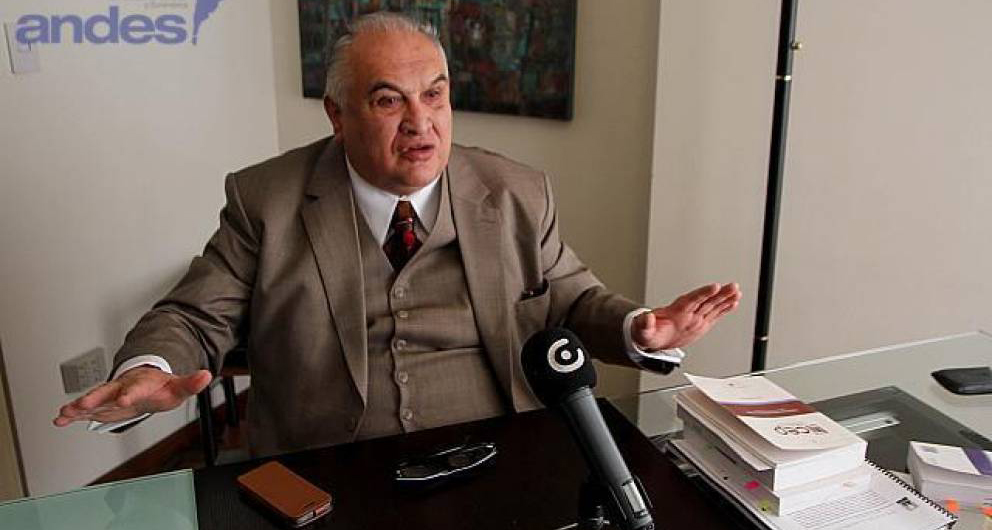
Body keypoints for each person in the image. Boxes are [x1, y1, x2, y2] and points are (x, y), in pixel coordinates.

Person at [54, 13, 741, 457]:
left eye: (434, 94)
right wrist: (149, 368)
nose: (421, 122)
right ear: (337, 114)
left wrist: (639, 327)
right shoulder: (266, 200)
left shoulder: (515, 192)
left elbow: (571, 296)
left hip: (497, 450)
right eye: (388, 100)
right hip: (328, 465)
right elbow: (192, 314)